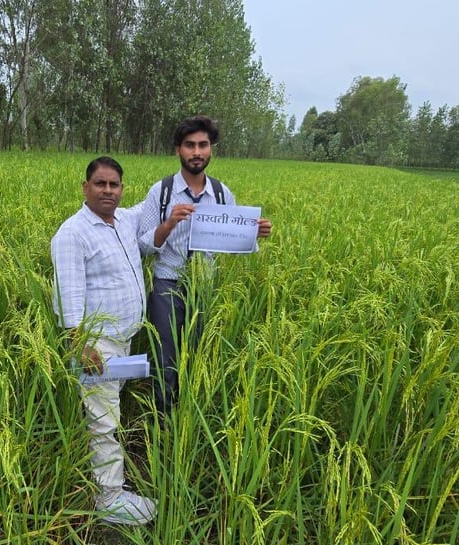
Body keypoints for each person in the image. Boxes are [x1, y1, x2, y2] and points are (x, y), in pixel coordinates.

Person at [138, 115, 273, 417]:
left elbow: (234, 243)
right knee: (166, 358)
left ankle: (191, 416)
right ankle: (163, 421)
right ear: (178, 150)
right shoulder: (160, 193)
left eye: (203, 145)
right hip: (167, 285)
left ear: (211, 149)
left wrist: (255, 234)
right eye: (190, 146)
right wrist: (169, 223)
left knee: (198, 355)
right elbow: (143, 247)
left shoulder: (222, 194)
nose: (196, 152)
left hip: (204, 288)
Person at [50, 156, 157, 526]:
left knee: (106, 408)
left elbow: (156, 205)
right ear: (85, 187)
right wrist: (79, 342)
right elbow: (68, 293)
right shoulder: (72, 233)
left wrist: (189, 179)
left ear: (121, 189)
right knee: (104, 420)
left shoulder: (125, 220)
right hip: (98, 345)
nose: (108, 190)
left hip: (125, 337)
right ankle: (109, 498)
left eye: (114, 185)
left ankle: (100, 478)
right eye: (100, 184)